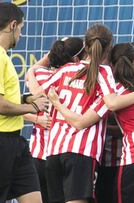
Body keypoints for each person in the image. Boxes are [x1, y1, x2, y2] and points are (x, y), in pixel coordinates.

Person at [38, 25, 134, 203]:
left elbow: (37, 91)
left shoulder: (65, 70)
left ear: (85, 45)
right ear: (108, 49)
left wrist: (52, 104)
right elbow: (108, 104)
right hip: (80, 152)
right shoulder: (103, 74)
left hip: (53, 151)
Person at [0, 3, 49, 203]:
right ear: (13, 25)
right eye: (21, 29)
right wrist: (33, 107)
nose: (21, 35)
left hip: (15, 143)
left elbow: (5, 97)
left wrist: (27, 98)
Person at [23, 37, 85, 203]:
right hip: (63, 151)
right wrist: (38, 119)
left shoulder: (39, 75)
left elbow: (17, 106)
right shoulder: (80, 76)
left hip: (45, 154)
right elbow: (18, 108)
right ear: (76, 58)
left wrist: (30, 70)